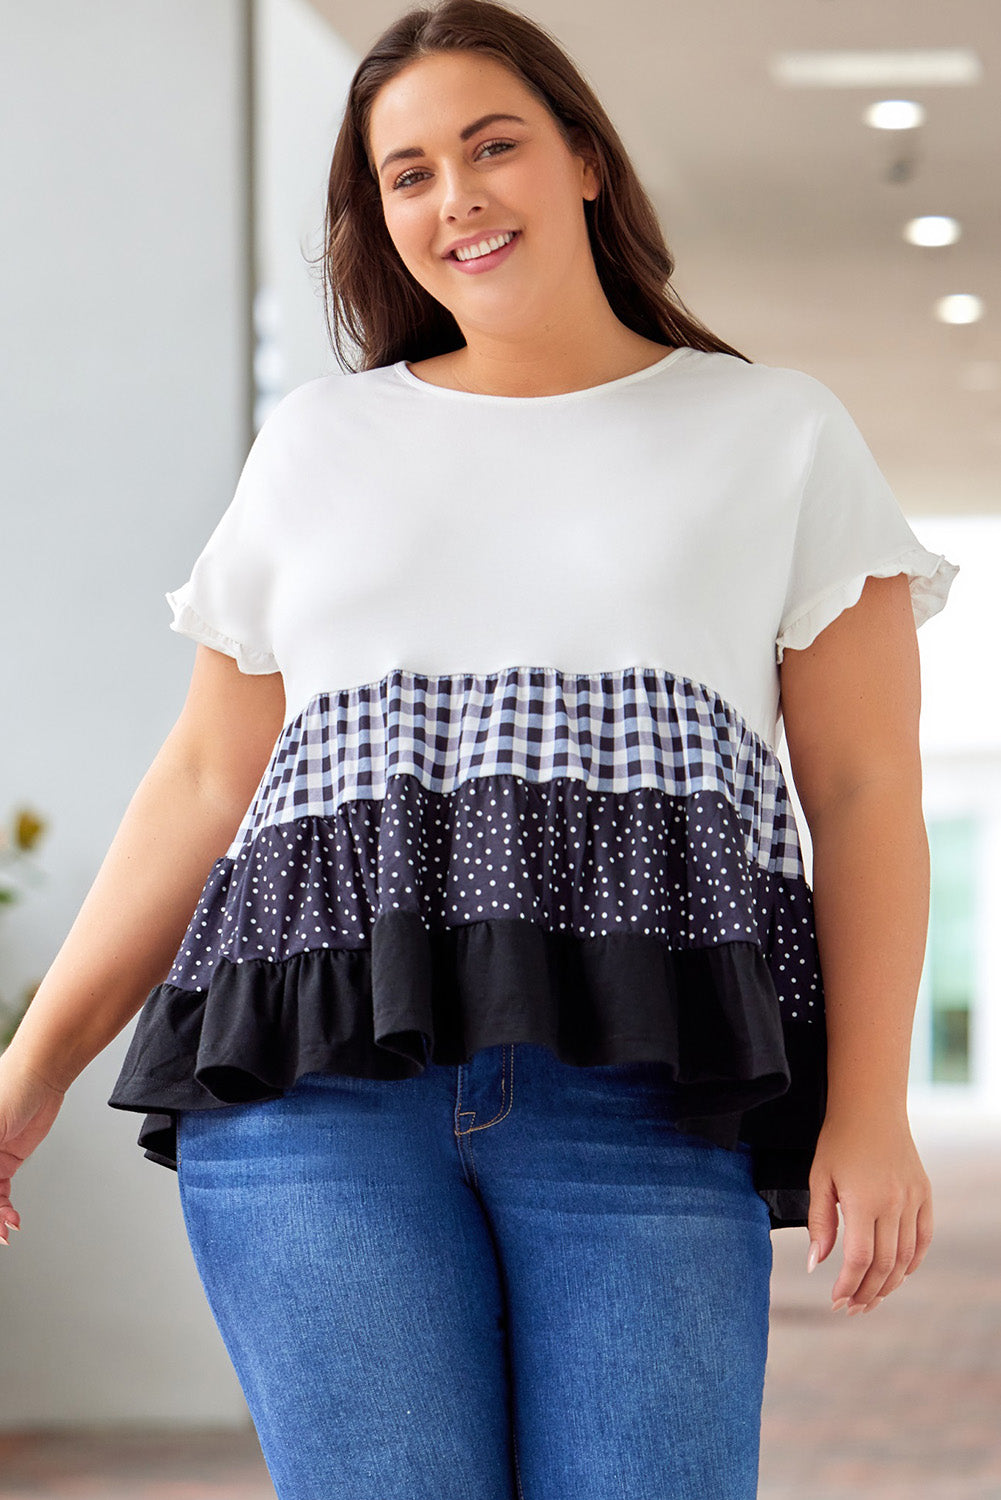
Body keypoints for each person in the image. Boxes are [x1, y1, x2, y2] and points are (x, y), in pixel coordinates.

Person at [0, 1, 959, 1496]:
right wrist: (32, 1070)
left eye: (492, 145)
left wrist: (872, 1106)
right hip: (312, 1095)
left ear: (585, 159)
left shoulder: (773, 432)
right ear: (379, 217)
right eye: (408, 173)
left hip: (642, 1094)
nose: (456, 196)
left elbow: (862, 793)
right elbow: (202, 782)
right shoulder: (318, 445)